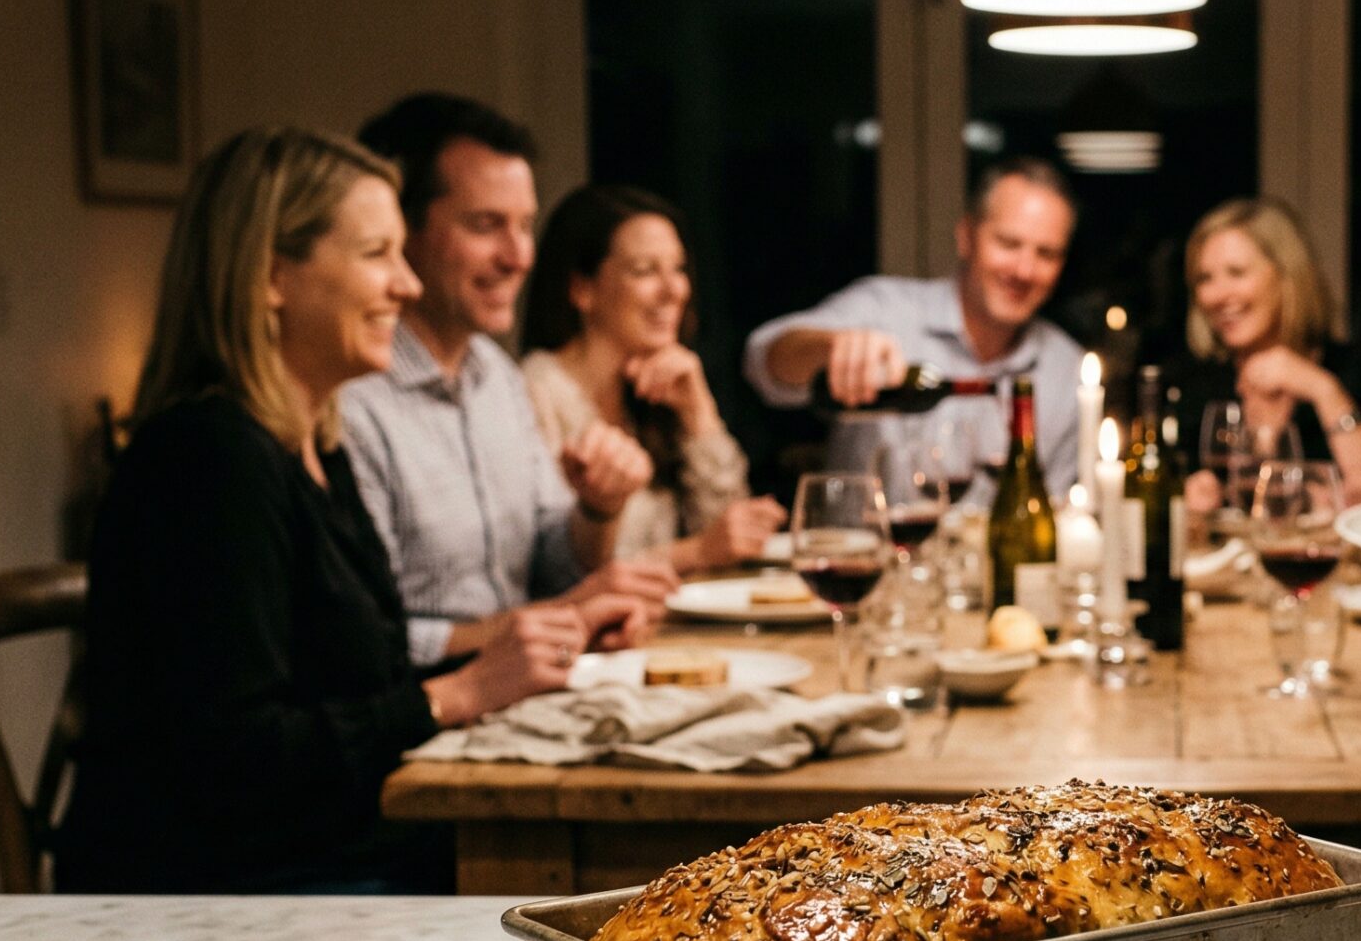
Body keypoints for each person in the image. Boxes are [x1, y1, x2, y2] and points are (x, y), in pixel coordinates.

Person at [60, 129, 619, 894]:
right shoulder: (208, 458)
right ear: (269, 277)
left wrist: (519, 660)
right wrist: (456, 693)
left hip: (336, 846)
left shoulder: (317, 441)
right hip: (223, 894)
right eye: (376, 254)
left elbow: (369, 667)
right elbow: (236, 756)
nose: (407, 284)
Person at [337, 93, 671, 669]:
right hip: (430, 712)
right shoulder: (351, 398)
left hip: (529, 692)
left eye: (524, 225)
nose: (519, 256)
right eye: (486, 225)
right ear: (402, 229)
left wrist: (598, 510)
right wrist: (540, 625)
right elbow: (360, 638)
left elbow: (553, 565)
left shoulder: (496, 374)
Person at [745, 157, 1085, 494]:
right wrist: (829, 348)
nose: (1025, 270)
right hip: (861, 547)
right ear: (966, 237)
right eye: (1008, 244)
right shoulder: (885, 309)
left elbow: (1053, 515)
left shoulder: (1067, 370)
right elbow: (762, 363)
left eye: (1046, 254)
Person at [521, 184, 784, 572]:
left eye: (678, 268)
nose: (674, 289)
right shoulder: (534, 392)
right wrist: (694, 553)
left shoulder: (654, 392)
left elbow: (729, 540)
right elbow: (554, 571)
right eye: (644, 271)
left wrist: (700, 414)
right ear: (582, 289)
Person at [1173, 197, 1361, 504]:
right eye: (1205, 278)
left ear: (1286, 276)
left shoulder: (1357, 369)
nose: (1218, 295)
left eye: (1236, 272)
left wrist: (1322, 389)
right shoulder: (1199, 383)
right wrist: (1192, 496)